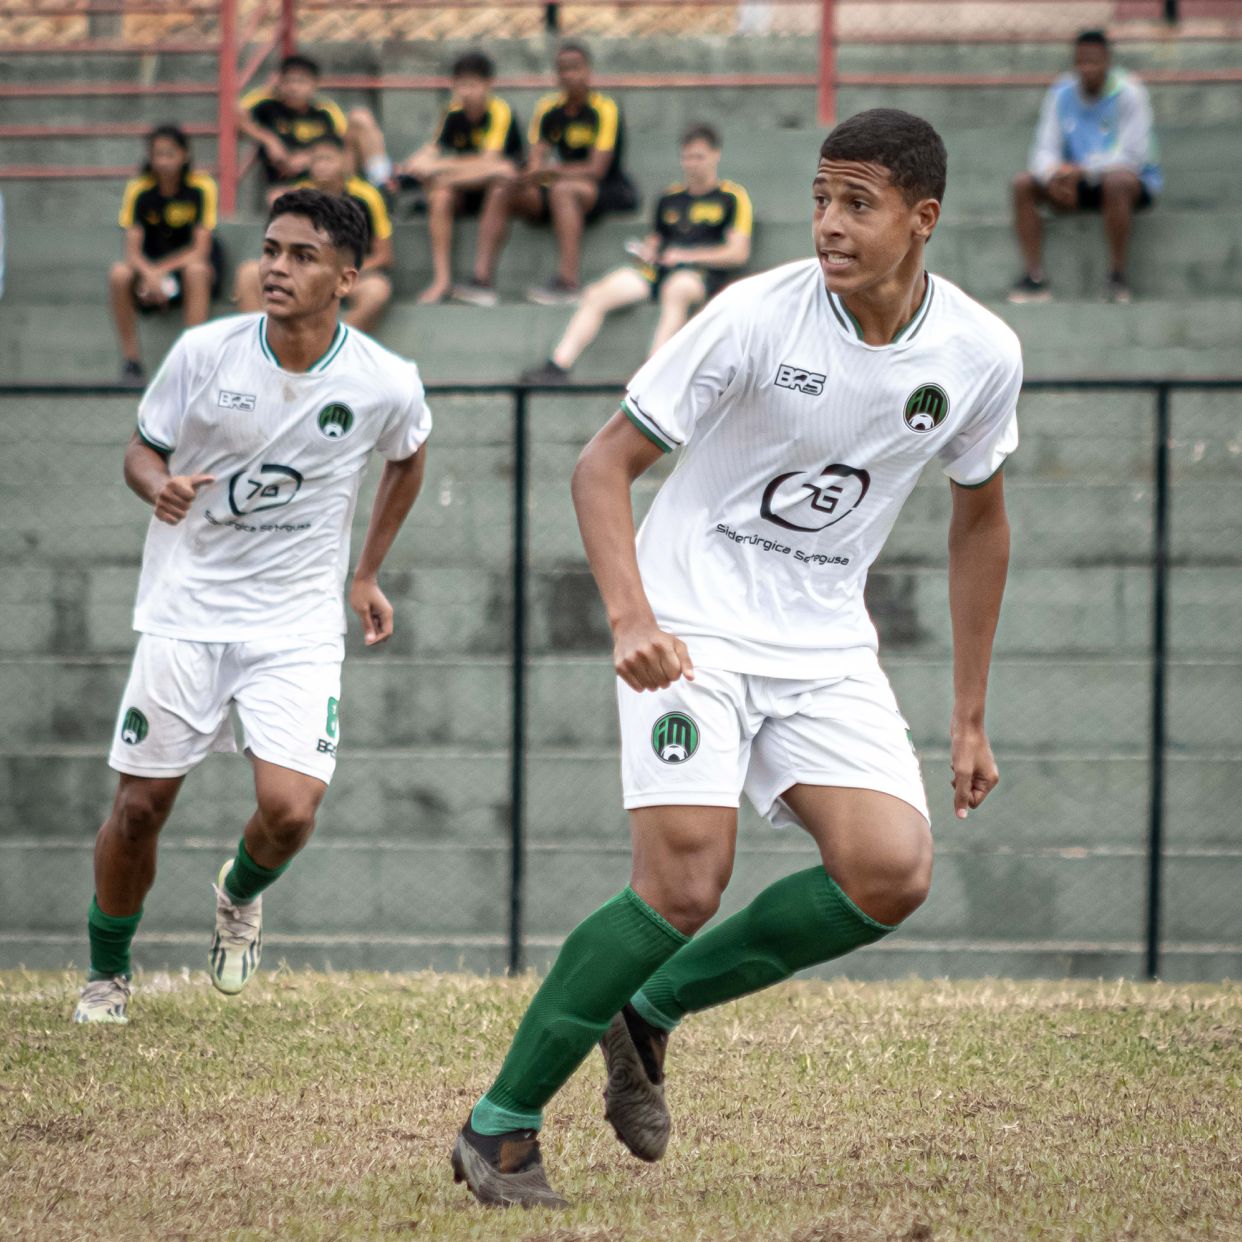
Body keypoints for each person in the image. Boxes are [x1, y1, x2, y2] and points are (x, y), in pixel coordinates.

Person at [451, 108, 1021, 1208]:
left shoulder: (981, 353)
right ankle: (500, 1127)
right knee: (681, 884)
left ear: (924, 218)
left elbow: (982, 520)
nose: (828, 224)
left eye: (858, 203)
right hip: (692, 623)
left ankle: (649, 1008)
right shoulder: (753, 316)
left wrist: (968, 715)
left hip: (823, 638)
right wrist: (629, 619)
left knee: (891, 872)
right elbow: (600, 467)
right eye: (820, 198)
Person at [72, 189, 432, 1025]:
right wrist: (159, 486)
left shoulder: (384, 381)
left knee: (291, 810)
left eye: (301, 255)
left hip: (296, 624)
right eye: (271, 249)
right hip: (185, 612)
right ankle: (106, 976)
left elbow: (408, 458)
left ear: (348, 275)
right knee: (137, 809)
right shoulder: (205, 353)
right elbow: (142, 449)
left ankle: (238, 894)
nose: (276, 267)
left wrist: (365, 573)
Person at [521, 124, 752, 384]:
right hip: (660, 270)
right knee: (598, 292)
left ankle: (651, 374)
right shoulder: (669, 198)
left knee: (676, 290)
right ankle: (558, 365)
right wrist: (647, 252)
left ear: (715, 155)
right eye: (687, 157)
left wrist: (688, 256)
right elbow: (655, 240)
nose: (692, 164)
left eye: (699, 157)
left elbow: (737, 253)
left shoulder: (732, 196)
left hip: (700, 275)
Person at [468, 40, 638, 308]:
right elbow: (537, 159)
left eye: (575, 68)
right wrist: (523, 177)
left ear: (588, 71)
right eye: (562, 69)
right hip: (557, 186)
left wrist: (550, 171)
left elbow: (597, 169)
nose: (569, 75)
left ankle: (568, 282)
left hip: (604, 189)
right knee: (502, 188)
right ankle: (481, 282)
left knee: (563, 189)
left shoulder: (605, 108)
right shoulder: (548, 109)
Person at [1009, 29, 1161, 304]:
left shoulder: (1130, 92)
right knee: (1023, 184)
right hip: (1074, 184)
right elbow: (1044, 150)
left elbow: (1133, 155)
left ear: (1107, 61)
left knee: (1118, 181)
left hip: (1126, 184)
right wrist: (1055, 176)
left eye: (1094, 61)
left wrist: (1084, 171)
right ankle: (1034, 278)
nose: (1087, 68)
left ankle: (1117, 277)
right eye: (1081, 62)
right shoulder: (1061, 92)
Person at [395, 50, 524, 306]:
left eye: (473, 85)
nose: (466, 92)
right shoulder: (452, 112)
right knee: (440, 194)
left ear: (488, 85)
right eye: (461, 85)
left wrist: (441, 168)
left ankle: (482, 278)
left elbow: (492, 163)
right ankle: (442, 280)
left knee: (496, 176)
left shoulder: (500, 111)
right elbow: (431, 149)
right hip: (465, 184)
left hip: (500, 189)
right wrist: (412, 165)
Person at [235, 134, 394, 333]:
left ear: (344, 162)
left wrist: (337, 275)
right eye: (317, 159)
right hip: (303, 273)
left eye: (328, 158)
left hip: (348, 276)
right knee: (248, 273)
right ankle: (260, 349)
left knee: (377, 290)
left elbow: (384, 256)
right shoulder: (299, 195)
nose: (322, 165)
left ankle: (331, 350)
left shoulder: (368, 197)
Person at [109, 125, 222, 386]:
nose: (164, 161)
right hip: (150, 267)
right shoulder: (139, 188)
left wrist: (161, 272)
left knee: (197, 270)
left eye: (170, 154)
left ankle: (193, 362)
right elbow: (132, 252)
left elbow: (200, 249)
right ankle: (131, 362)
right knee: (119, 273)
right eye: (158, 154)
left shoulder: (201, 186)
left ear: (184, 155)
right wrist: (150, 275)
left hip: (186, 267)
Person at [239, 54, 392, 197]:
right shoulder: (268, 108)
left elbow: (343, 144)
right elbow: (235, 115)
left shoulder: (325, 111)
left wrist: (311, 158)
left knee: (360, 117)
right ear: (280, 82)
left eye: (301, 82)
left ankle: (382, 182)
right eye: (288, 81)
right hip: (289, 183)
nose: (294, 88)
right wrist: (269, 139)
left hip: (330, 177)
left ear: (314, 84)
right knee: (278, 198)